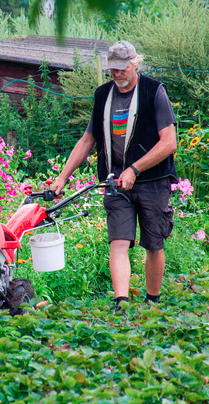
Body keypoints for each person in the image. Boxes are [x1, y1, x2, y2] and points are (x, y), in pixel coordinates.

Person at [51, 40, 178, 313]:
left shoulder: (153, 91)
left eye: (122, 69)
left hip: (152, 182)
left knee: (153, 244)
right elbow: (88, 140)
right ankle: (121, 303)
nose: (117, 74)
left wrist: (135, 169)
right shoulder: (102, 95)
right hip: (115, 182)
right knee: (118, 242)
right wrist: (62, 177)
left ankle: (152, 302)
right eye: (113, 69)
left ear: (136, 64)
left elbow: (169, 142)